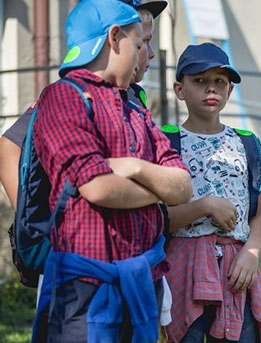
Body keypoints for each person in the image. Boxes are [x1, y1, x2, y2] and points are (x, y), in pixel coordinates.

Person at [28, 0, 192, 343]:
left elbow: (183, 187)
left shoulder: (134, 107)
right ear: (114, 38)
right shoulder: (64, 98)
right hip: (87, 289)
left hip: (142, 282)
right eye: (139, 43)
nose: (145, 54)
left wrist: (133, 167)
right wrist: (156, 190)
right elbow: (98, 187)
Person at [151, 42, 261, 343]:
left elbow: (259, 214)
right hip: (181, 267)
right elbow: (158, 219)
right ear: (179, 89)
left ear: (230, 90)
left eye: (220, 81)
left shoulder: (248, 145)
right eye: (200, 80)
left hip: (237, 270)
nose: (211, 88)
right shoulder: (166, 143)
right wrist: (204, 206)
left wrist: (252, 252)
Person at [0, 0, 166, 209]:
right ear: (114, 40)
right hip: (85, 233)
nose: (150, 53)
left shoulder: (132, 96)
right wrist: (31, 226)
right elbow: (9, 146)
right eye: (142, 42)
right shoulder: (73, 94)